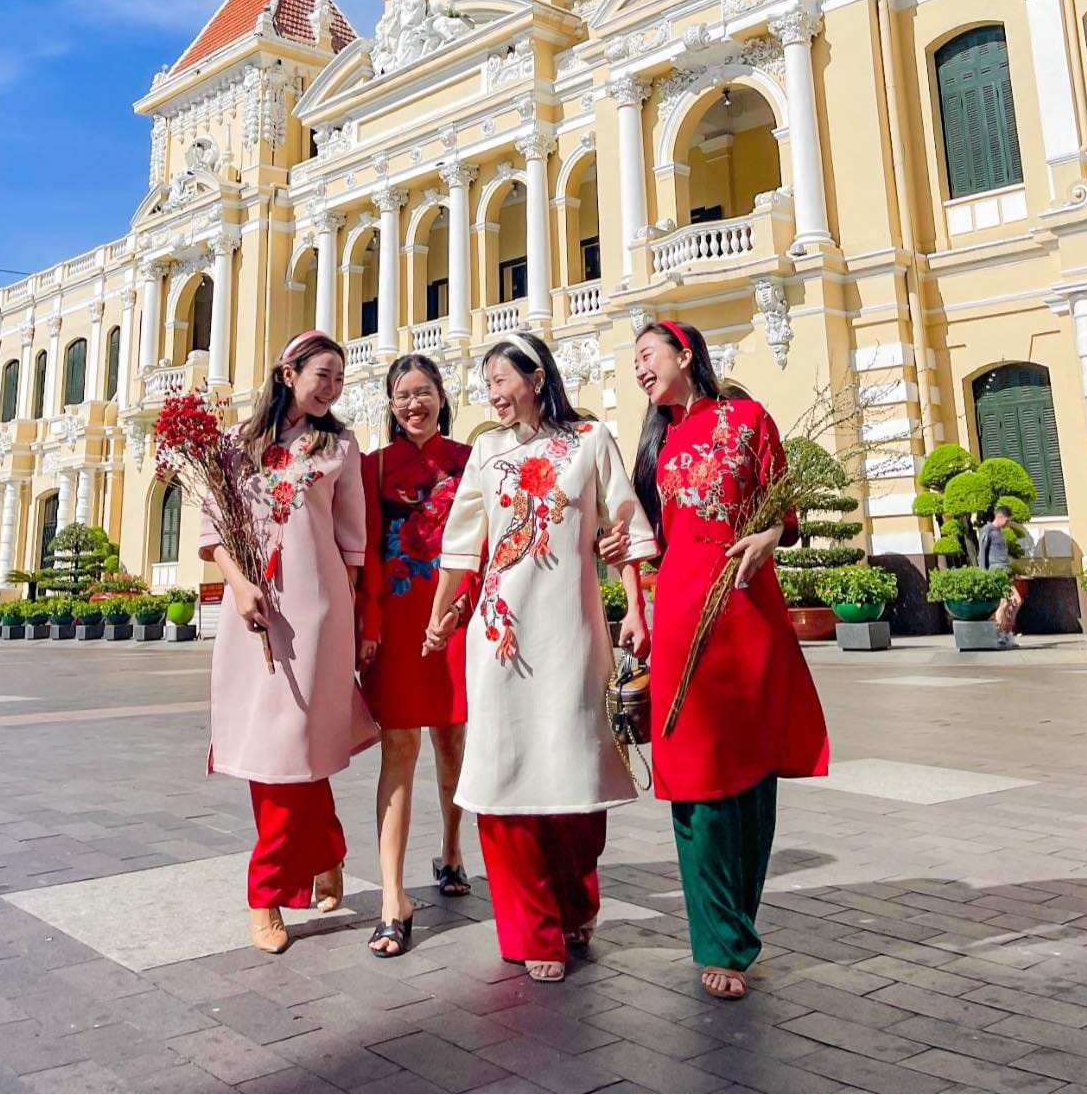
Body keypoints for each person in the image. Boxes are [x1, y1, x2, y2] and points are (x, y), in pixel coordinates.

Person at [424, 332, 655, 983]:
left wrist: (636, 609)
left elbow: (626, 527)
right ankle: (532, 930)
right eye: (487, 384)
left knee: (574, 772)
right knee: (506, 777)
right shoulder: (487, 451)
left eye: (501, 379)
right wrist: (441, 615)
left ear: (535, 377)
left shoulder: (589, 439)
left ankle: (576, 904)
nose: (493, 394)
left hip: (574, 635)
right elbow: (460, 545)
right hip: (501, 636)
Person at [626, 320, 829, 1001]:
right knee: (694, 778)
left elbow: (784, 514)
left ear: (686, 355)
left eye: (648, 355)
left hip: (748, 609)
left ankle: (739, 921)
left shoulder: (748, 419)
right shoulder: (655, 444)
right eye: (634, 361)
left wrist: (768, 536)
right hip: (682, 615)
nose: (639, 369)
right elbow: (643, 541)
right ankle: (718, 940)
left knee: (751, 775)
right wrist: (632, 596)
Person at [201, 330, 378, 955]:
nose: (332, 388)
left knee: (297, 747)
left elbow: (353, 544)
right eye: (322, 375)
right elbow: (213, 531)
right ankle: (324, 850)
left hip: (316, 617)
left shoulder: (340, 446)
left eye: (339, 379)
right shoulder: (236, 445)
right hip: (251, 615)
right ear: (288, 373)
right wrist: (239, 585)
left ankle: (266, 891)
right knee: (271, 752)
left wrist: (351, 622)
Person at [355, 355, 477, 958]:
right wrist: (369, 627)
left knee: (451, 741)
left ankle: (452, 848)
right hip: (397, 628)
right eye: (403, 395)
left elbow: (482, 544)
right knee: (398, 748)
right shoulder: (373, 467)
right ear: (390, 404)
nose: (414, 404)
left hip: (454, 621)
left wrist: (463, 610)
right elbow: (367, 554)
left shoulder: (469, 460)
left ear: (441, 398)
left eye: (424, 392)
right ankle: (391, 898)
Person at [981, 503, 1024, 648]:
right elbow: (982, 554)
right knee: (1003, 603)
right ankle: (999, 635)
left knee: (1016, 601)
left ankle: (1006, 633)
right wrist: (985, 575)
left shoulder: (1000, 532)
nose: (1008, 523)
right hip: (996, 572)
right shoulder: (987, 531)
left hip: (1005, 572)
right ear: (999, 517)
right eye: (1007, 520)